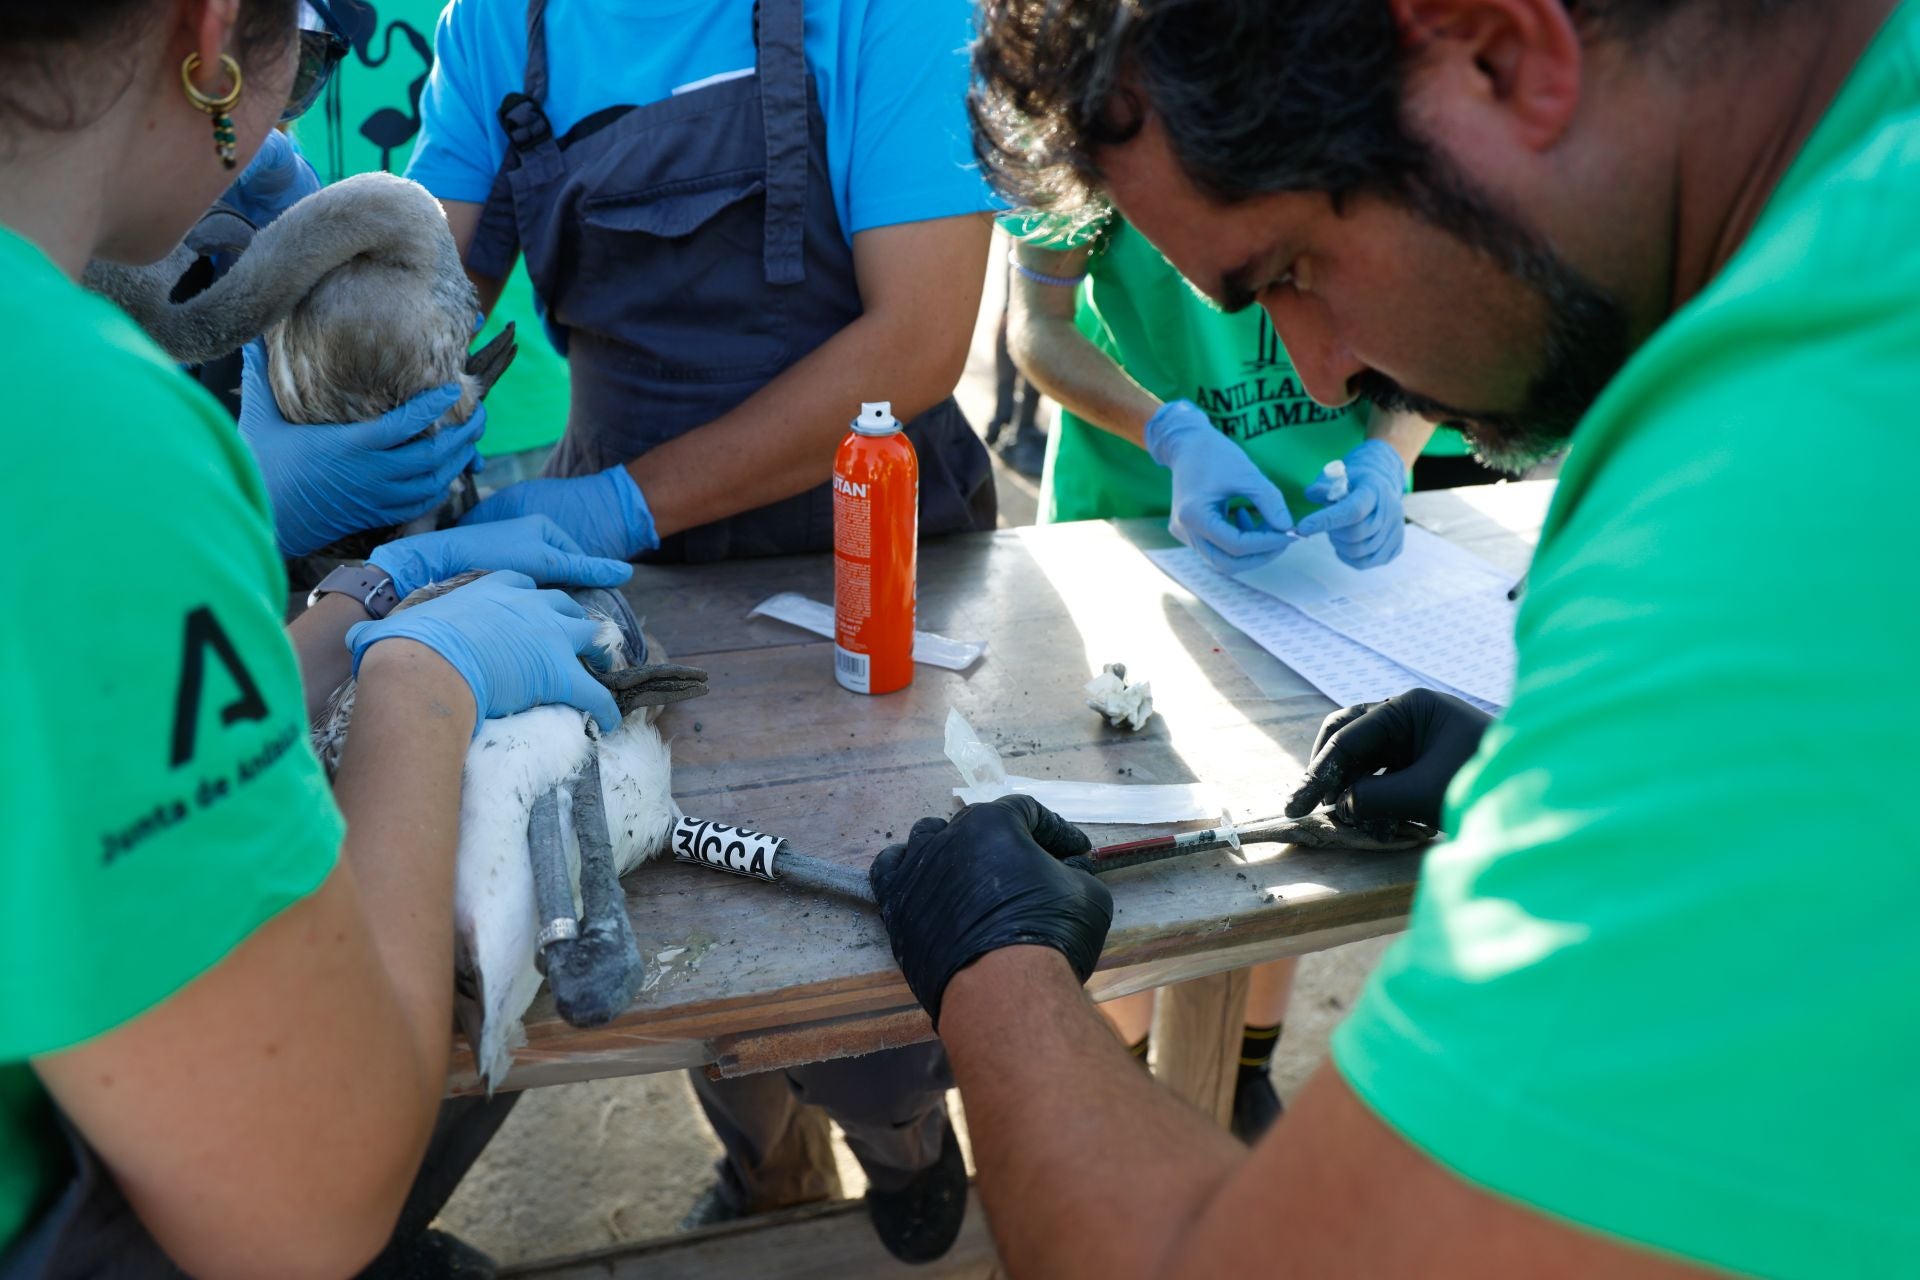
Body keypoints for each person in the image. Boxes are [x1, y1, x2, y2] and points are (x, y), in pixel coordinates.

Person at [861, 0, 1920, 1275]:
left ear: (1495, 51)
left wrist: (993, 961)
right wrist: (1537, 765)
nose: (1313, 379)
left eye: (1293, 270)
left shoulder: (1780, 479)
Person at [0, 1, 639, 1274]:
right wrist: (418, 674)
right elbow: (309, 1205)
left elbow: (58, 779)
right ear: (214, 31)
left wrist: (353, 606)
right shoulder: (80, 428)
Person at [397, 0, 1000, 1259]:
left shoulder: (889, 13)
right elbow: (424, 288)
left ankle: (904, 1144)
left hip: (868, 543)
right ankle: (764, 1162)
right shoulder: (507, 21)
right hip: (624, 566)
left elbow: (921, 335)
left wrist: (631, 494)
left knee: (863, 942)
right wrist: (381, 412)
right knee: (675, 886)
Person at [1004, 211, 1439, 1138]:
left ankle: (1242, 1068)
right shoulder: (1078, 91)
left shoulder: (1393, 83)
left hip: (1318, 553)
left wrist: (1386, 459)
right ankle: (1124, 1076)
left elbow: (1453, 312)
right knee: (1117, 844)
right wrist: (1169, 432)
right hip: (1127, 526)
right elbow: (1036, 322)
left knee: (1303, 811)